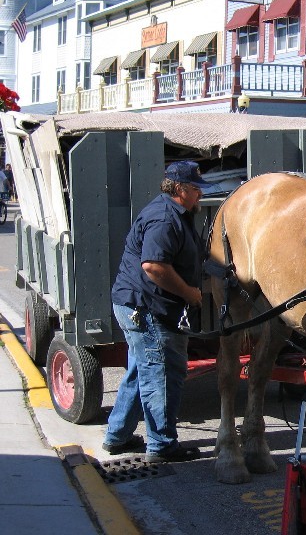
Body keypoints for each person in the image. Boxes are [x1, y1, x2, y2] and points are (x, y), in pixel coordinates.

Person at [103, 160, 208, 463]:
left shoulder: (180, 214)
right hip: (146, 309)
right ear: (179, 189)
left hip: (138, 304)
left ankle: (117, 436)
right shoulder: (165, 218)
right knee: (163, 373)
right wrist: (189, 293)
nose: (201, 194)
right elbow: (154, 266)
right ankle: (162, 446)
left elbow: (192, 256)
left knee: (142, 371)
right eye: (196, 188)